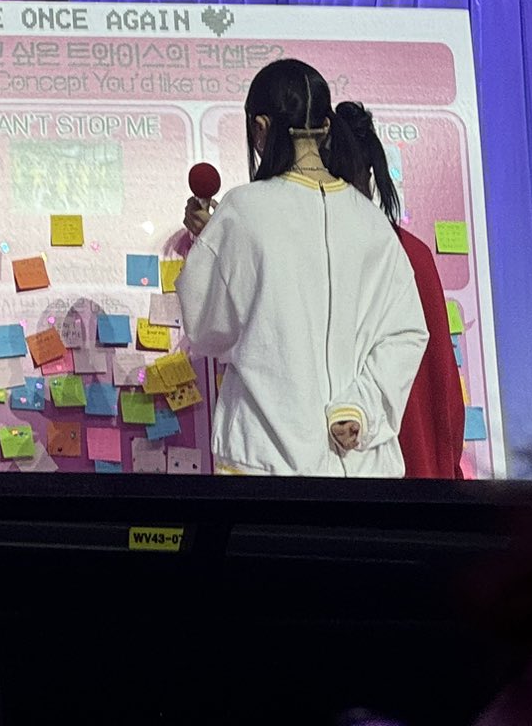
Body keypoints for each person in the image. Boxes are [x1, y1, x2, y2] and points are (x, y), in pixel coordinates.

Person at [177, 58, 426, 475]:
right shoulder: (371, 222)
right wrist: (358, 407)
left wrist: (210, 246)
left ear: (260, 127)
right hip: (363, 468)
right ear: (326, 126)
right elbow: (405, 333)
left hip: (267, 460)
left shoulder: (243, 211)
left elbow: (206, 329)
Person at [326, 100, 467, 478]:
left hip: (348, 469)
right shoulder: (413, 253)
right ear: (370, 172)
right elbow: (446, 390)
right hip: (416, 473)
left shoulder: (319, 258)